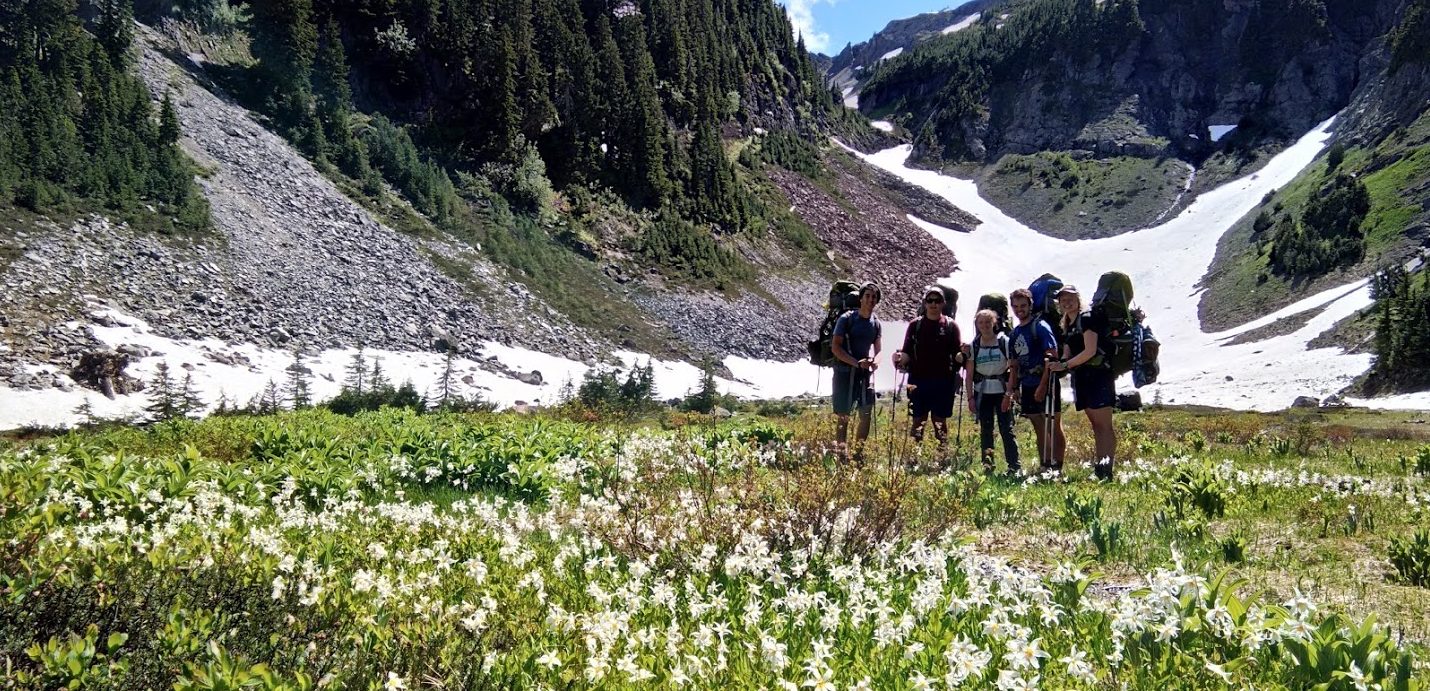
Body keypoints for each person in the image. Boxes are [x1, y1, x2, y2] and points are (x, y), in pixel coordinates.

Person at [1047, 285, 1117, 480]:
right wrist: (1060, 364)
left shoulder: (1086, 318)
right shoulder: (1068, 324)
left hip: (1098, 376)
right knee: (1096, 424)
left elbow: (1090, 351)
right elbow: (1069, 353)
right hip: (1084, 378)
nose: (1066, 302)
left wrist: (1065, 365)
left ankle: (1106, 469)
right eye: (1063, 300)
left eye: (1070, 298)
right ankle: (1102, 467)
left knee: (1103, 425)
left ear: (1078, 299)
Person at [893, 287, 964, 458]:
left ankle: (942, 456)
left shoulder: (951, 326)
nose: (933, 304)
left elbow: (956, 354)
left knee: (940, 421)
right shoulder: (915, 325)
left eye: (937, 301)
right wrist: (899, 358)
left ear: (943, 304)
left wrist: (965, 354)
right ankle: (913, 458)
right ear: (924, 303)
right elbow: (907, 351)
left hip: (943, 381)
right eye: (930, 300)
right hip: (918, 380)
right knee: (918, 420)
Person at [1009, 288, 1065, 473]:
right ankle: (1045, 464)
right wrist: (1015, 387)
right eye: (1016, 306)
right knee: (1039, 426)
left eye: (1023, 305)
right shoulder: (1015, 333)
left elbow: (1051, 356)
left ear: (1030, 305)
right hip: (1027, 383)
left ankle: (1057, 466)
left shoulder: (1040, 327)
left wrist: (1042, 385)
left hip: (1046, 382)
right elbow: (1015, 364)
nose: (1019, 310)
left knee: (1053, 424)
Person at [831, 282, 882, 462]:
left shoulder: (876, 323)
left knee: (866, 414)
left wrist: (875, 362)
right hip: (844, 372)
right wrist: (855, 362)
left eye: (873, 297)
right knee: (844, 415)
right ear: (861, 298)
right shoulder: (846, 319)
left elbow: (879, 350)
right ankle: (841, 455)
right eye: (867, 296)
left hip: (863, 374)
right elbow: (835, 347)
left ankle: (858, 454)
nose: (870, 299)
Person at [965, 308, 1019, 476]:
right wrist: (970, 398)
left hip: (1001, 392)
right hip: (982, 393)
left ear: (994, 323)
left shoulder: (1004, 342)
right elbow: (969, 375)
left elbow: (1013, 370)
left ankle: (1014, 467)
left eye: (988, 322)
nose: (984, 325)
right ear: (977, 324)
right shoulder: (974, 345)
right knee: (986, 430)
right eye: (981, 322)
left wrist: (1008, 395)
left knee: (1006, 429)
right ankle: (988, 466)